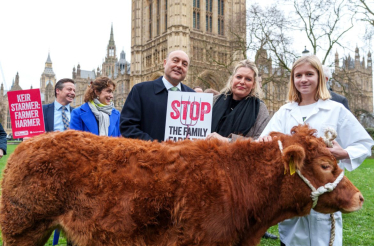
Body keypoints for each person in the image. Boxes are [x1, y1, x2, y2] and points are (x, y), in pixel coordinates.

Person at [258, 55, 374, 246]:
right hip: (294, 198)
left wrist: (344, 153)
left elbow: (363, 142)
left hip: (325, 196)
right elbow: (265, 142)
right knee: (292, 239)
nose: (303, 79)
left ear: (320, 77)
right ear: (293, 80)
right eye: (298, 75)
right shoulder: (284, 112)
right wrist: (264, 142)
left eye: (309, 74)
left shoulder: (335, 110)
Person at [120, 50, 195, 142]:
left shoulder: (193, 96)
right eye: (175, 61)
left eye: (184, 64)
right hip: (150, 154)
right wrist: (156, 147)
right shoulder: (140, 90)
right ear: (165, 63)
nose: (179, 66)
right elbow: (127, 127)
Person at [206, 59, 270, 142]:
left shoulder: (260, 109)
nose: (242, 82)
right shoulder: (213, 101)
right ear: (232, 79)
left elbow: (259, 143)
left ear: (254, 84)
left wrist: (227, 141)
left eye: (248, 79)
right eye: (239, 77)